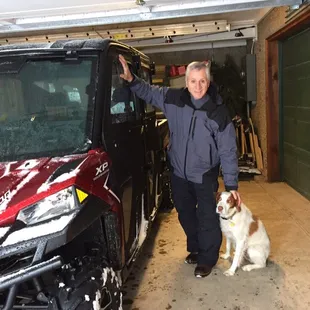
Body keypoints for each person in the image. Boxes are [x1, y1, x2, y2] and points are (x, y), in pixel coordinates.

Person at [118, 54, 241, 278]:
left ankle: (207, 259)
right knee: (185, 213)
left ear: (208, 81)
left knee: (207, 217)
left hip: (204, 174)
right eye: (193, 81)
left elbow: (228, 149)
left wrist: (232, 184)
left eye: (202, 81)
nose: (198, 86)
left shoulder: (217, 111)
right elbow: (148, 92)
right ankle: (195, 248)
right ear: (186, 82)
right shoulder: (173, 99)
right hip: (178, 172)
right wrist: (131, 79)